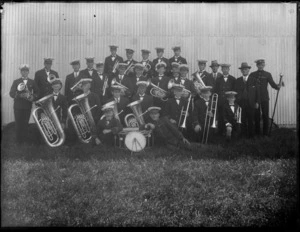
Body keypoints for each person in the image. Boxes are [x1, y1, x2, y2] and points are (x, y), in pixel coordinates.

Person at [249, 59, 282, 136]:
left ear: (264, 65)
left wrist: (278, 86)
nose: (260, 66)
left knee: (265, 115)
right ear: (257, 65)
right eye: (259, 65)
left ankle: (265, 134)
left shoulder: (268, 74)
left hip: (264, 98)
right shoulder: (252, 74)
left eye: (262, 65)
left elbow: (273, 85)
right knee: (256, 116)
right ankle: (257, 133)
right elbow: (249, 86)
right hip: (255, 99)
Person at [9, 64, 39, 145]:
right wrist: (19, 95)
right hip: (18, 106)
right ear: (21, 72)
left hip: (27, 106)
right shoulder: (16, 81)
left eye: (26, 71)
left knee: (25, 124)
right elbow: (11, 93)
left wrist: (33, 97)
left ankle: (25, 141)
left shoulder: (32, 81)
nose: (24, 72)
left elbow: (37, 92)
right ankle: (18, 141)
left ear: (28, 72)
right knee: (18, 124)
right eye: (23, 71)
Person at [235, 62, 260, 138]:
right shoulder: (238, 80)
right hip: (242, 103)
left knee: (251, 120)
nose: (244, 71)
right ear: (241, 71)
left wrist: (257, 102)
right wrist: (238, 102)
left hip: (251, 103)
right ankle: (243, 135)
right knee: (242, 120)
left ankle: (251, 136)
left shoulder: (254, 80)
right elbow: (236, 92)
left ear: (248, 70)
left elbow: (258, 93)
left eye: (246, 69)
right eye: (243, 69)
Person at [214, 63, 236, 136]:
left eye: (226, 69)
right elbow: (216, 90)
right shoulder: (218, 79)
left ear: (229, 70)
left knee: (229, 116)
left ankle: (230, 131)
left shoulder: (233, 79)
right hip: (220, 101)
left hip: (229, 102)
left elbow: (234, 91)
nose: (225, 70)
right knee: (221, 116)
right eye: (223, 69)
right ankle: (220, 132)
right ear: (221, 70)